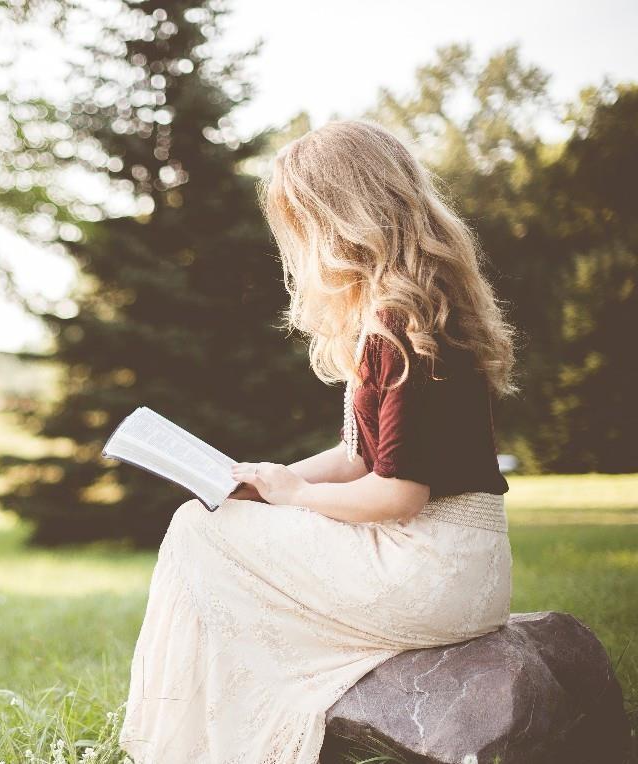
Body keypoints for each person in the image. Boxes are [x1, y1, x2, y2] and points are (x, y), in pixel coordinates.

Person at [118, 119, 517, 763]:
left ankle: (190, 746)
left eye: (301, 221)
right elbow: (360, 457)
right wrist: (263, 481)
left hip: (433, 566)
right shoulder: (408, 309)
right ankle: (200, 739)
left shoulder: (399, 323)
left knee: (197, 530)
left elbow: (399, 493)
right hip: (454, 562)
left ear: (340, 218)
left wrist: (295, 495)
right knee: (210, 517)